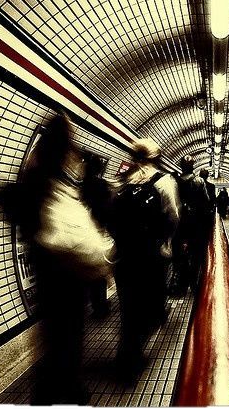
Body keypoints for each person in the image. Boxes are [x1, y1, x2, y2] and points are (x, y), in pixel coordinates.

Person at [0, 113, 115, 404]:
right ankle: (67, 395)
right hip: (66, 278)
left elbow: (10, 202)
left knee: (55, 345)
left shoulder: (36, 182)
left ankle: (60, 393)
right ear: (65, 149)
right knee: (66, 344)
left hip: (49, 279)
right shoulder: (55, 185)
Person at [110, 138, 180, 378]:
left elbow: (112, 218)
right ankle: (132, 357)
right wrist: (166, 242)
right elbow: (172, 216)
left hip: (124, 255)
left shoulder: (122, 182)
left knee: (128, 305)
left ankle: (126, 356)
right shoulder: (163, 181)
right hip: (150, 254)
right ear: (156, 158)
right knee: (146, 303)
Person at [172, 155, 210, 294]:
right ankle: (194, 285)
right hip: (195, 224)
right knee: (196, 256)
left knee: (179, 255)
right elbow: (206, 203)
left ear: (181, 166)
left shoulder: (174, 181)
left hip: (178, 224)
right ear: (193, 166)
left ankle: (181, 285)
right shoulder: (199, 181)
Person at [82, 154, 112, 318]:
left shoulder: (80, 186)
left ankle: (96, 305)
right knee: (99, 271)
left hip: (85, 231)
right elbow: (108, 208)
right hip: (100, 230)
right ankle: (101, 305)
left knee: (90, 270)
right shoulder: (102, 184)